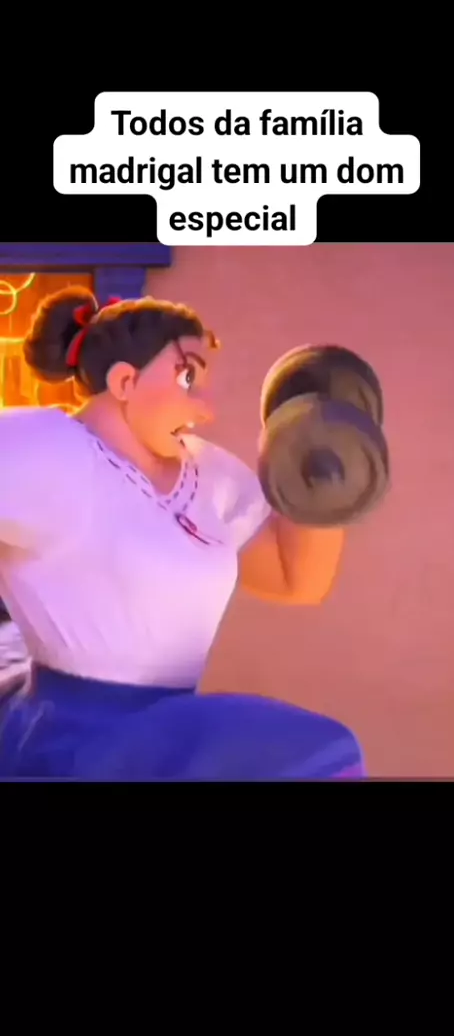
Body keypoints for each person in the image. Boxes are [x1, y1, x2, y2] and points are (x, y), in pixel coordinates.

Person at [0, 289, 364, 781]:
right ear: (125, 381)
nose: (206, 408)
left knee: (316, 754)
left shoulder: (211, 475)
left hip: (165, 731)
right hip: (73, 736)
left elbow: (294, 578)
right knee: (314, 751)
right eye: (188, 377)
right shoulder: (49, 450)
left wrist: (318, 462)